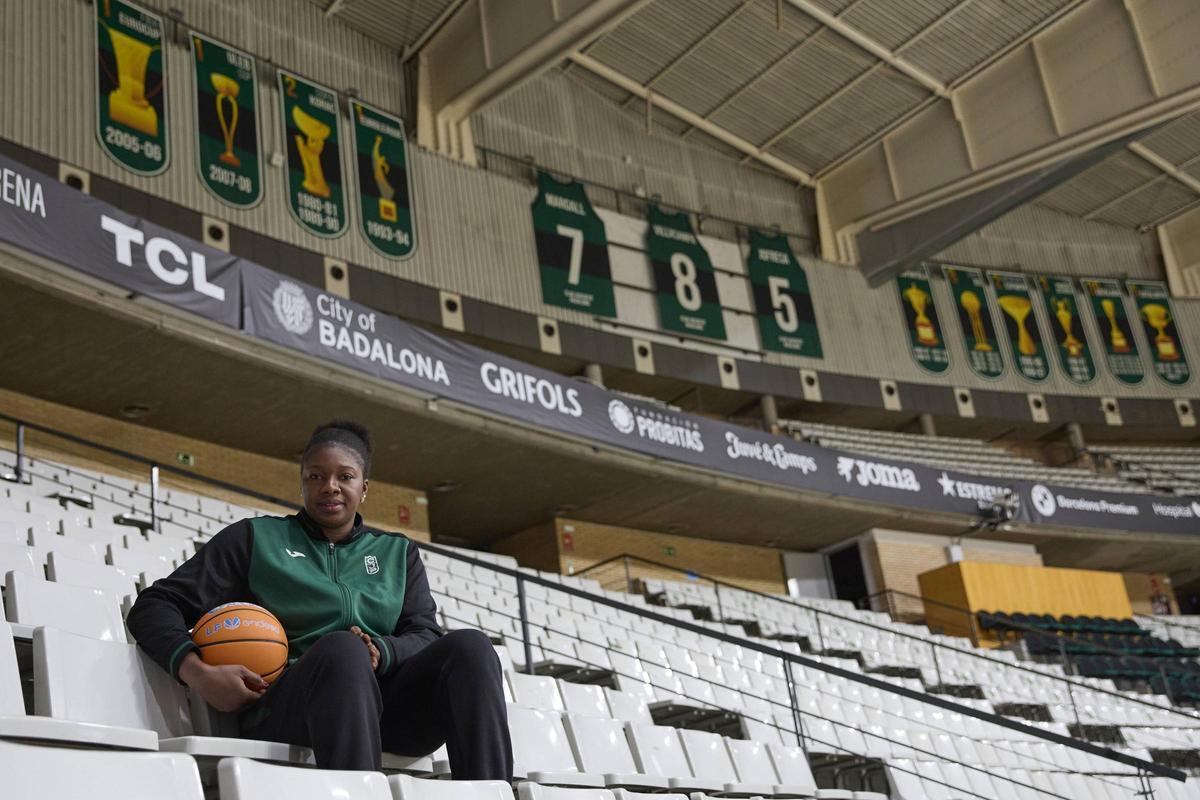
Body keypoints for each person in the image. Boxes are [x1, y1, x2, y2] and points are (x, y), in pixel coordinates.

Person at [127, 420, 513, 778]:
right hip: (289, 709)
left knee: (472, 648)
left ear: (364, 488)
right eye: (316, 476)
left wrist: (383, 651)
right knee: (343, 648)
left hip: (389, 712)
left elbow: (425, 635)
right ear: (302, 484)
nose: (330, 486)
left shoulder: (398, 553)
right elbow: (154, 605)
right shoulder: (256, 539)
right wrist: (198, 673)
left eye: (345, 476)